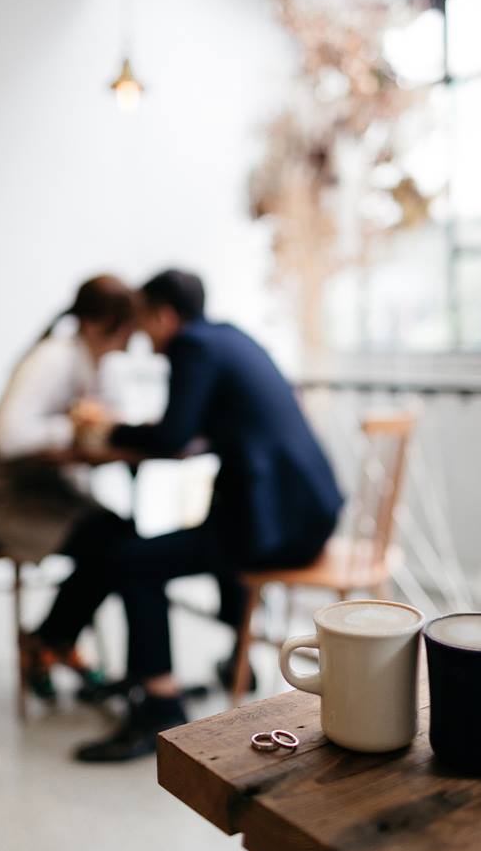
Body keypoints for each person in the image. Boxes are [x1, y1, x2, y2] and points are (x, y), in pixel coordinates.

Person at [33, 268, 344, 762]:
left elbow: (173, 437)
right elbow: (193, 426)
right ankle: (219, 661)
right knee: (161, 542)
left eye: (143, 323)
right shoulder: (229, 338)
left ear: (164, 315)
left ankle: (159, 703)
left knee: (130, 558)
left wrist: (109, 431)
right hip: (309, 513)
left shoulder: (191, 346)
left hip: (276, 528)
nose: (142, 339)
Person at [0, 274, 137, 699]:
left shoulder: (99, 361)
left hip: (45, 487)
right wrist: (73, 426)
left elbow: (116, 412)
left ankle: (49, 641)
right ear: (100, 324)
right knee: (111, 542)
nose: (134, 339)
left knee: (122, 536)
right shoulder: (54, 358)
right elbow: (9, 435)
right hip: (2, 496)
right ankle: (52, 642)